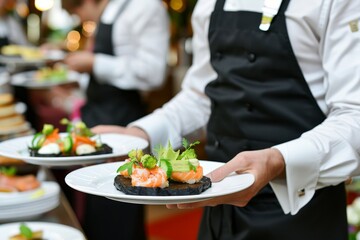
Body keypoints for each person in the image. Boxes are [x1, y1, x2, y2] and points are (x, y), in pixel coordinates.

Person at [91, 0, 360, 239]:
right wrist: (143, 133)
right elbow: (200, 96)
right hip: (218, 199)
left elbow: (354, 115)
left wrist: (279, 160)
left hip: (303, 208)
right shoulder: (208, 4)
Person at [59, 0, 169, 239]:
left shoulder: (147, 8)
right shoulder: (109, 12)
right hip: (97, 119)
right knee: (96, 202)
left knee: (120, 207)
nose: (81, 19)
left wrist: (94, 63)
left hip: (123, 120)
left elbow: (153, 73)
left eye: (78, 11)